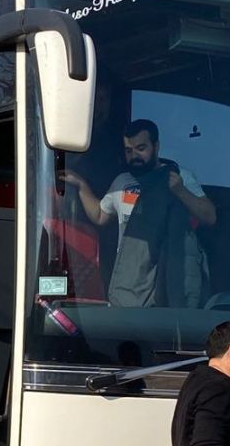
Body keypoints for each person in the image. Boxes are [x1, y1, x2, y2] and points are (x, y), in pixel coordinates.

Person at [63, 119, 216, 308]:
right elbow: (100, 216)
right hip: (132, 281)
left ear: (156, 146)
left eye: (141, 148)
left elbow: (209, 216)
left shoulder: (178, 177)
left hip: (169, 278)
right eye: (129, 151)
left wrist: (180, 191)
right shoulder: (121, 181)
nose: (134, 155)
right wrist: (81, 186)